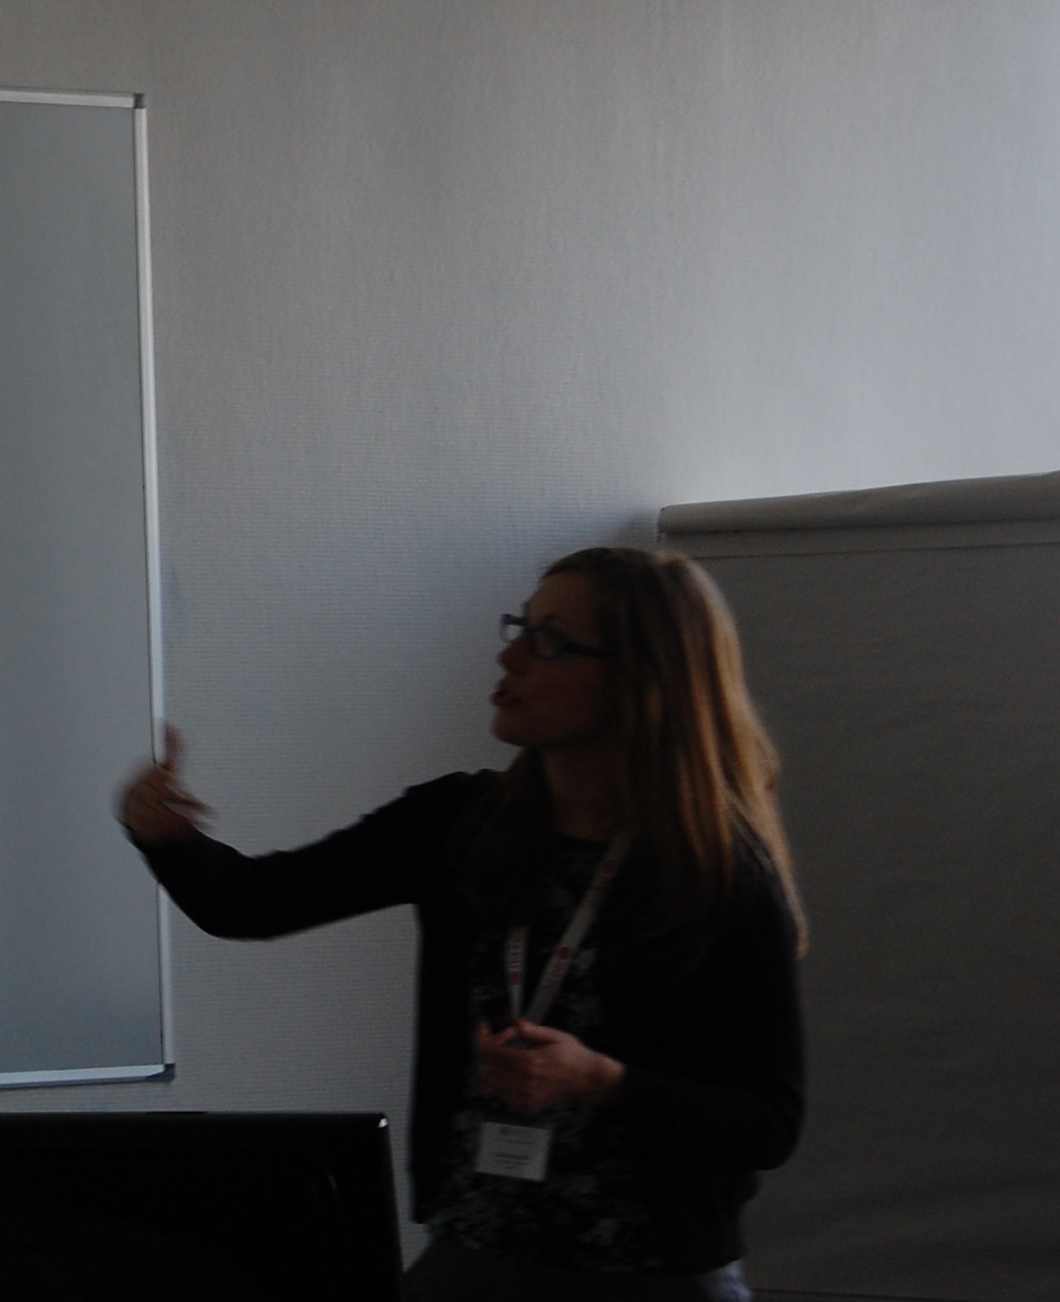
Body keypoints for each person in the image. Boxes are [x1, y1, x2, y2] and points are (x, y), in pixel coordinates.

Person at [118, 546, 804, 1301]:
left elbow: (768, 1122)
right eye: (521, 627)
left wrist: (602, 1081)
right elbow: (252, 903)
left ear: (640, 679)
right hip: (475, 1253)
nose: (511, 656)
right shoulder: (459, 822)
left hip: (655, 1273)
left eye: (550, 640)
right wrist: (165, 837)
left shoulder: (715, 872)